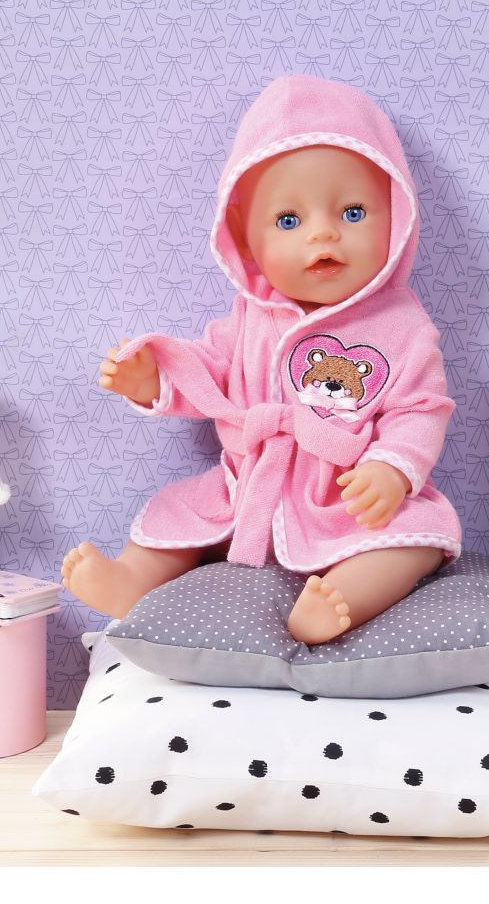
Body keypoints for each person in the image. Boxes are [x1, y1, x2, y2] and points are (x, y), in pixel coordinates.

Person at [61, 73, 462, 644]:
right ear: (245, 239)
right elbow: (211, 370)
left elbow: (421, 408)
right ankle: (132, 580)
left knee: (413, 540)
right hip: (249, 489)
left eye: (352, 213)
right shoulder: (251, 315)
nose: (323, 236)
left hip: (342, 501)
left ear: (396, 218)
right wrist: (153, 379)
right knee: (178, 513)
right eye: (289, 221)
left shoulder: (401, 325)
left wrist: (391, 470)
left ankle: (342, 599)